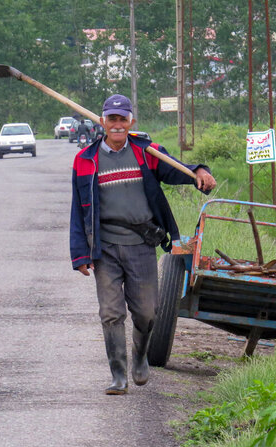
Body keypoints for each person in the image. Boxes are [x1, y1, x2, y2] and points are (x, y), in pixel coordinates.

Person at [70, 94, 216, 395]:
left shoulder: (146, 152)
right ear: (103, 122)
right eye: (112, 118)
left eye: (123, 119)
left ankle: (139, 357)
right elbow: (78, 209)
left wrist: (199, 170)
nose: (117, 124)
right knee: (111, 313)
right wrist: (80, 253)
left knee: (147, 313)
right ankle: (119, 374)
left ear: (131, 121)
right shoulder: (85, 160)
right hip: (105, 246)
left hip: (141, 243)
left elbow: (179, 170)